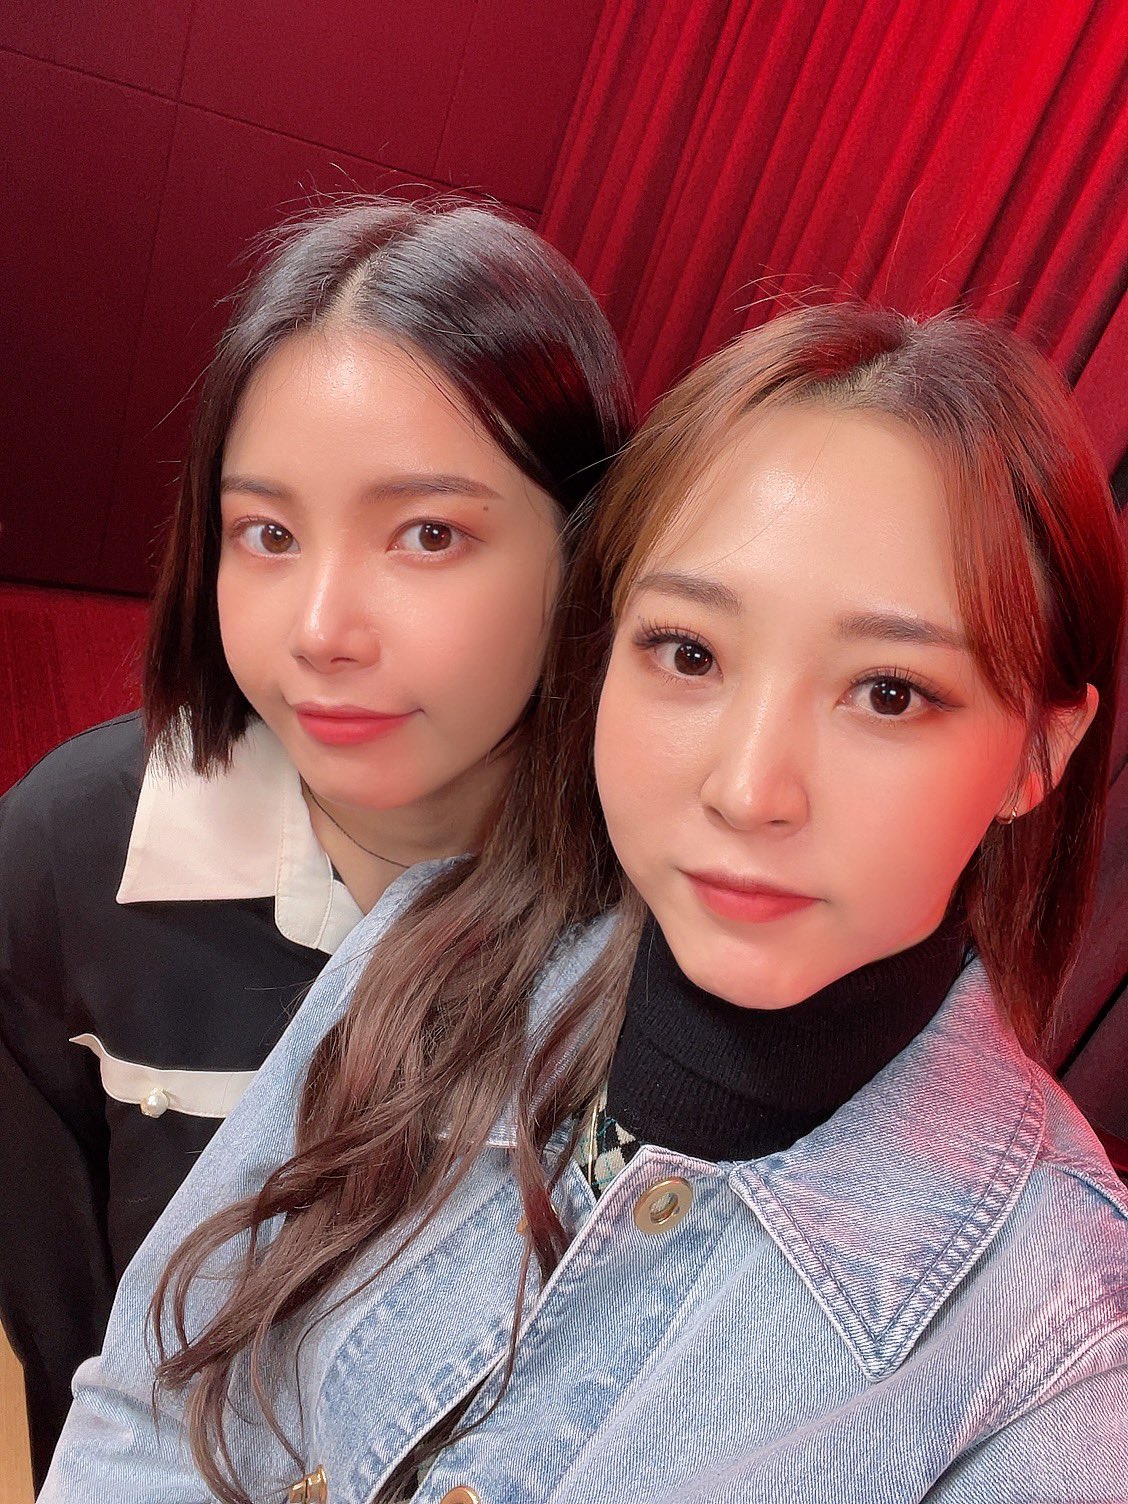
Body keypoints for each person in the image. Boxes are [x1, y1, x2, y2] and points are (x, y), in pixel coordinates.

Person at [42, 305, 1127, 1503]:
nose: (749, 789)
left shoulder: (1063, 1358)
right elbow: (153, 1404)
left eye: (888, 691)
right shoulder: (432, 948)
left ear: (1041, 750)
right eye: (690, 654)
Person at [0, 195, 633, 1484]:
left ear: (587, 548)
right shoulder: (67, 852)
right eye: (270, 534)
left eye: (428, 534)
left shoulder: (666, 907)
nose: (321, 630)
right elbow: (63, 1317)